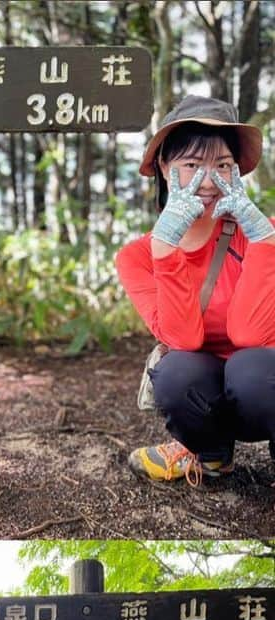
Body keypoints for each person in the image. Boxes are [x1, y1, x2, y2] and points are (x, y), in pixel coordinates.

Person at [116, 96, 275, 485]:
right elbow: (183, 338)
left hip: (264, 383)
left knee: (251, 369)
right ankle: (211, 456)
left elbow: (252, 335)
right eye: (192, 165)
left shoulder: (266, 233)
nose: (208, 181)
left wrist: (264, 241)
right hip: (203, 383)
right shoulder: (138, 257)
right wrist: (167, 249)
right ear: (164, 169)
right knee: (175, 373)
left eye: (222, 165)